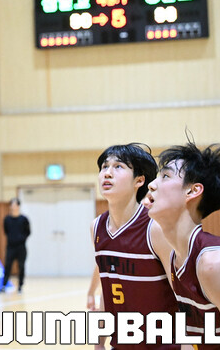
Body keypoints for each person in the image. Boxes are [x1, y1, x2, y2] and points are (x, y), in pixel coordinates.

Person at [86, 143, 178, 350]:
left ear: (139, 180)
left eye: (118, 166)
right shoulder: (97, 227)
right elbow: (107, 291)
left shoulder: (155, 228)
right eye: (104, 167)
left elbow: (182, 295)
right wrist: (99, 344)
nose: (107, 173)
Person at [144, 140, 220, 348]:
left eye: (165, 176)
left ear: (193, 191)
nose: (152, 184)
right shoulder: (176, 257)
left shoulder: (214, 263)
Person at [0, 198, 30, 293]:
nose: (13, 207)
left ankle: (20, 286)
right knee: (7, 265)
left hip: (21, 247)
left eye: (15, 205)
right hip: (11, 246)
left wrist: (21, 239)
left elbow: (28, 232)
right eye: (12, 205)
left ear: (18, 206)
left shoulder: (24, 219)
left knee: (21, 266)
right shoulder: (7, 219)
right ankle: (4, 285)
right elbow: (6, 231)